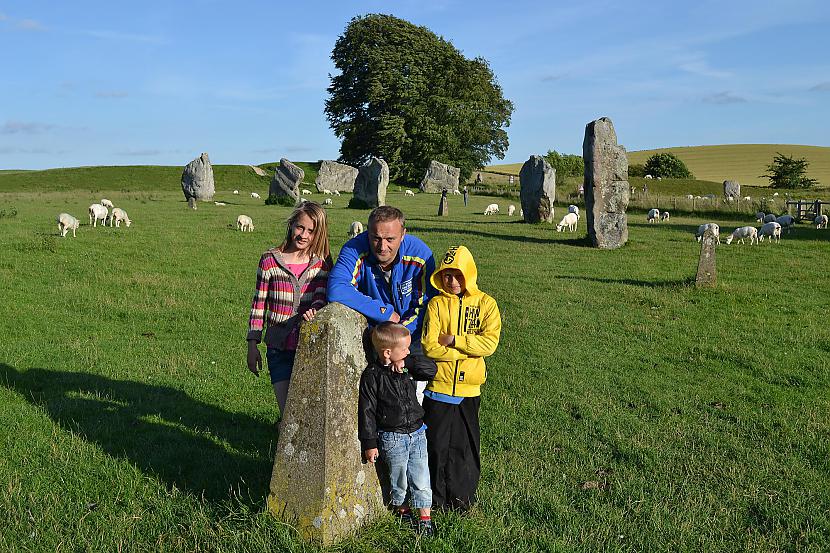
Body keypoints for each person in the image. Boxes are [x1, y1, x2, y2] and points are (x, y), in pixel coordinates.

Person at [421, 245, 501, 511]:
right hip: (438, 389)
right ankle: (436, 499)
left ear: (469, 274)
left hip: (469, 391)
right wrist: (465, 353)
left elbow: (489, 344)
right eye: (447, 276)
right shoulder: (435, 304)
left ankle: (461, 500)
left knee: (463, 448)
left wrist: (455, 341)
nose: (452, 281)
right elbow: (430, 346)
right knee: (436, 446)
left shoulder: (486, 304)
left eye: (458, 275)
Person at [327, 205, 436, 402]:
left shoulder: (421, 255)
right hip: (376, 337)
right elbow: (337, 288)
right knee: (376, 394)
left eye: (390, 239)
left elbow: (426, 304)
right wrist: (383, 312)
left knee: (415, 397)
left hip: (413, 338)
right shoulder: (355, 248)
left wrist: (399, 336)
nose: (382, 246)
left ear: (403, 234)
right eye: (376, 238)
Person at [247, 201, 332, 415]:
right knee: (288, 412)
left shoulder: (320, 263)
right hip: (278, 347)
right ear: (291, 224)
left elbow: (321, 295)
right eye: (300, 227)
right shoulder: (269, 261)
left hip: (308, 346)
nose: (304, 235)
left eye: (311, 231)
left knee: (308, 410)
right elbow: (259, 304)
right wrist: (252, 344)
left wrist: (316, 308)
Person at [358, 322, 437, 536]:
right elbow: (367, 411)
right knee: (399, 477)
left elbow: (432, 370)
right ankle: (403, 510)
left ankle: (425, 518)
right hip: (392, 438)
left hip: (418, 432)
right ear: (387, 352)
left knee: (421, 476)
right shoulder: (373, 376)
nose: (409, 351)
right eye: (404, 349)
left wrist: (408, 361)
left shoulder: (408, 368)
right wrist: (370, 442)